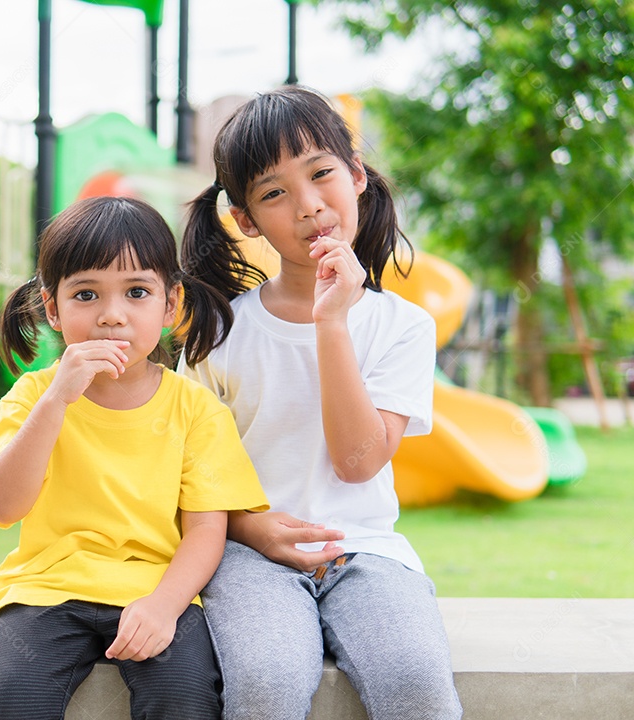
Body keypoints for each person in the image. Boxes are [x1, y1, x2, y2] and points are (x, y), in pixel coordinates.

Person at [178, 86, 463, 719]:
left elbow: (359, 462)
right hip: (248, 554)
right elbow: (187, 475)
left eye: (322, 173)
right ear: (246, 219)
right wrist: (252, 528)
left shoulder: (403, 327)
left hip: (367, 550)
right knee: (267, 681)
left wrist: (330, 324)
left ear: (357, 175)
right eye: (274, 193)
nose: (309, 206)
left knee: (416, 680)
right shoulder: (220, 334)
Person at [0, 196, 269, 720]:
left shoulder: (195, 409)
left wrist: (165, 606)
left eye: (136, 293)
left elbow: (204, 532)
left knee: (185, 699)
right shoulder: (33, 397)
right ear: (53, 309)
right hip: (44, 589)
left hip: (155, 588)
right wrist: (57, 400)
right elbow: (3, 506)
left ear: (170, 306)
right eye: (86, 294)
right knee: (19, 699)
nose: (111, 315)